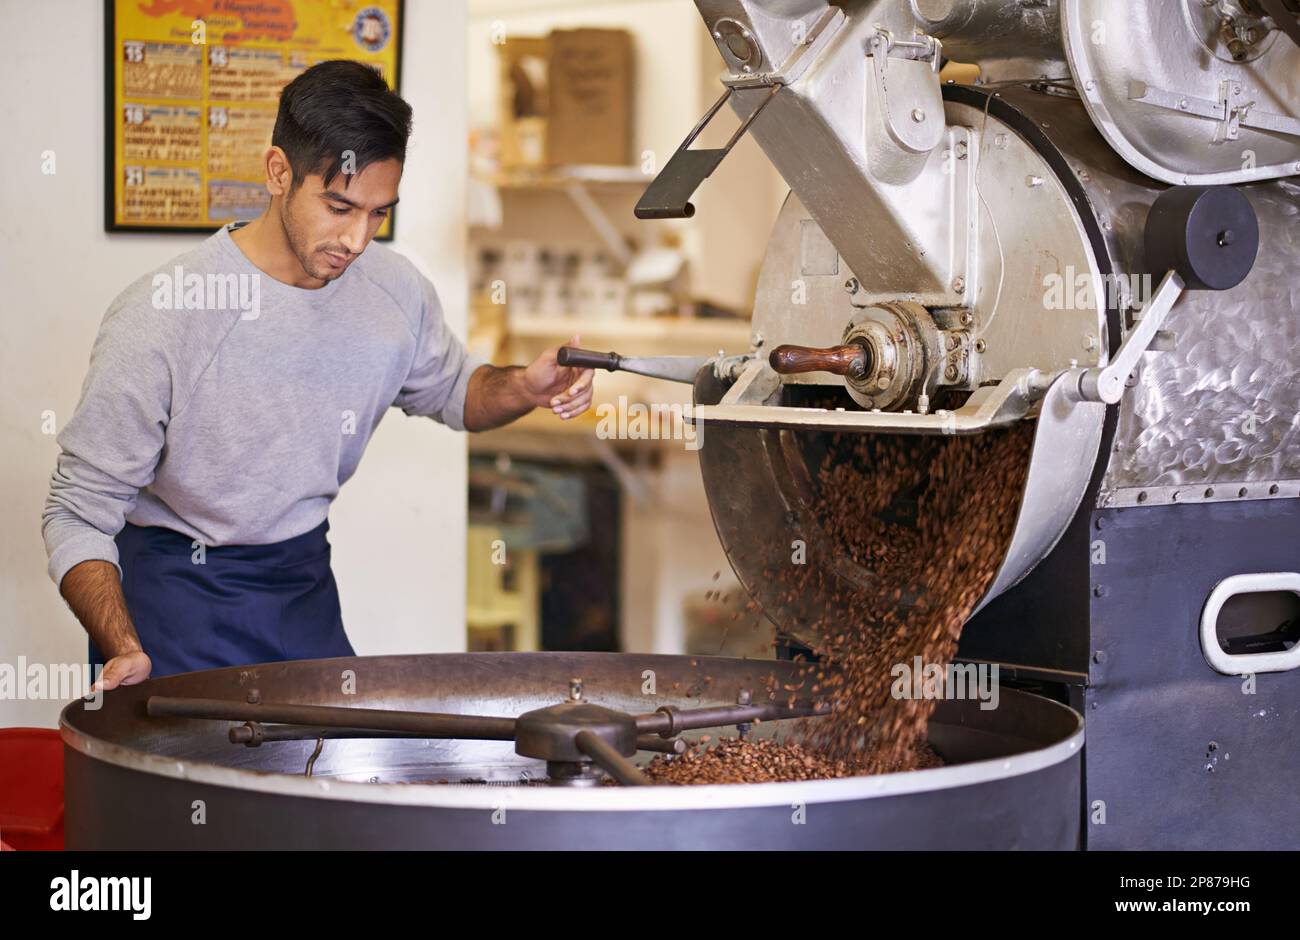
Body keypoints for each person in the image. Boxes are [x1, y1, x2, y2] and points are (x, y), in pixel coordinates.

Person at [42, 60, 594, 689]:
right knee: (198, 757)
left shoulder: (394, 291)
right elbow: (77, 512)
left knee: (338, 749)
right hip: (174, 593)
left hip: (300, 583)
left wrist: (524, 386)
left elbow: (454, 390)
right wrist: (121, 646)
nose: (357, 240)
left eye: (378, 214)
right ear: (278, 172)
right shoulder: (164, 316)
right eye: (339, 207)